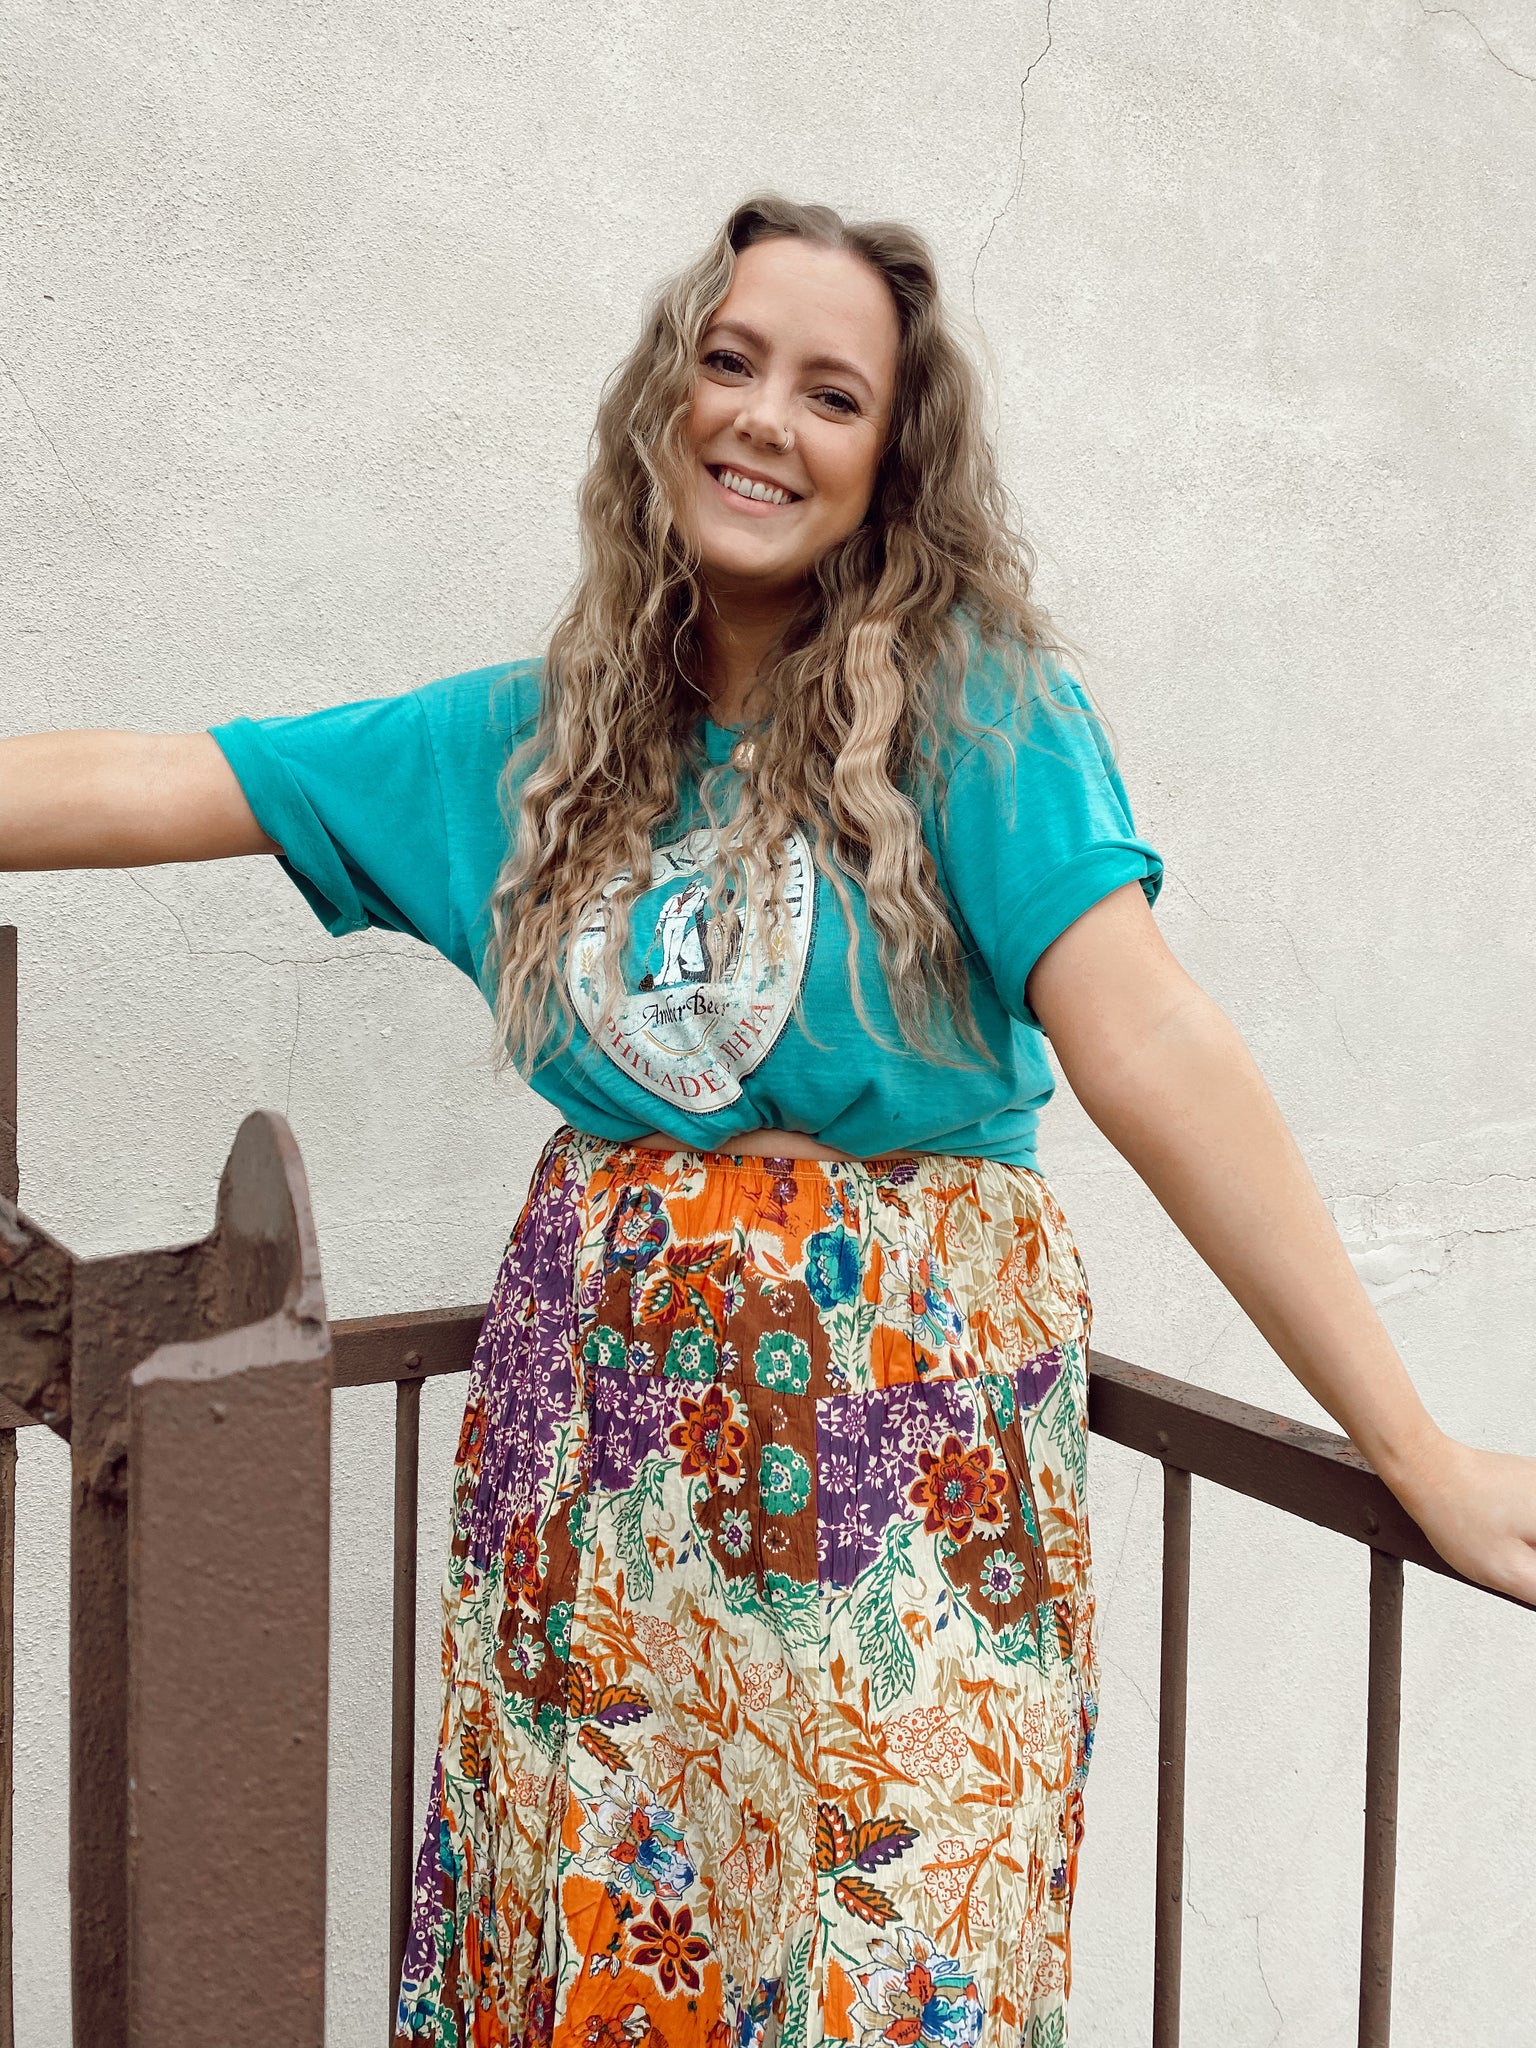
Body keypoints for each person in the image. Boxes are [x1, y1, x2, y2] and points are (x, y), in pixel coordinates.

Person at [4, 193, 1533, 2047]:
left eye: (832, 393)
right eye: (729, 363)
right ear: (664, 402)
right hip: (596, 1501)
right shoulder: (530, 745)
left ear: (893, 463)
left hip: (902, 1511)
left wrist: (1415, 1449)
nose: (763, 420)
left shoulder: (977, 719)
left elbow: (1152, 1046)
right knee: (588, 1951)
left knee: (888, 1968)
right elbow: (166, 778)